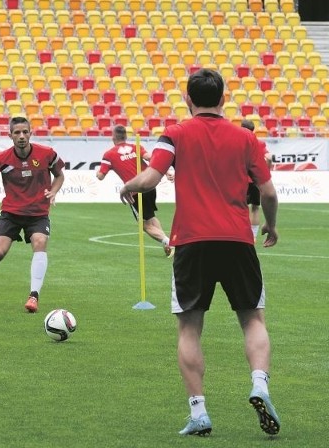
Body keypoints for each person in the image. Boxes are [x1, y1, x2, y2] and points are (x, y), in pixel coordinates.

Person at [119, 69, 280, 437]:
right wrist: (269, 225)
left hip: (191, 241)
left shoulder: (174, 133)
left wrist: (126, 187)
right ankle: (259, 384)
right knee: (253, 319)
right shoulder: (246, 138)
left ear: (188, 100)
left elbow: (151, 178)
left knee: (190, 327)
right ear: (224, 98)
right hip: (238, 239)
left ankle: (199, 412)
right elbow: (268, 193)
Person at [0, 116, 65, 313]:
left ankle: (33, 296)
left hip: (38, 213)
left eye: (25, 132)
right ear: (10, 136)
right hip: (11, 212)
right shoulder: (1, 158)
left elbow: (60, 174)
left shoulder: (47, 154)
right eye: (17, 133)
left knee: (40, 242)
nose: (22, 136)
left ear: (30, 133)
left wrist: (54, 190)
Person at [96, 124, 174, 258]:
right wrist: (167, 171)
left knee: (144, 225)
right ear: (126, 136)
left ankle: (170, 242)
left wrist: (99, 171)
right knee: (151, 217)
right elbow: (152, 158)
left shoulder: (109, 154)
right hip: (150, 186)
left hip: (135, 191)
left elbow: (100, 176)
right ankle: (167, 245)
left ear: (113, 137)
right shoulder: (136, 147)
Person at [240, 119, 273, 242]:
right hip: (255, 180)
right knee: (255, 208)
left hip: (240, 180)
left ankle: (240, 232)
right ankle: (253, 236)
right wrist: (267, 171)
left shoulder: (237, 142)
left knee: (239, 207)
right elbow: (269, 157)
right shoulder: (259, 143)